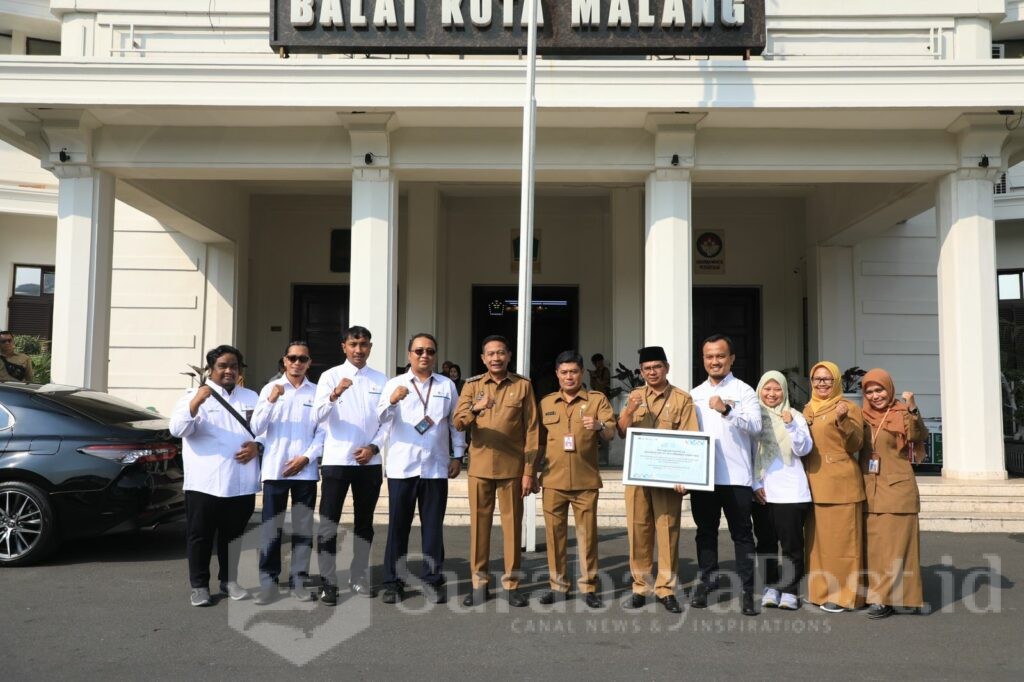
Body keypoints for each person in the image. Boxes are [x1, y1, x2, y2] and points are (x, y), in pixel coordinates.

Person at [376, 333, 466, 605]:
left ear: (435, 355)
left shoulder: (446, 385)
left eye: (429, 351)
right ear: (409, 354)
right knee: (398, 527)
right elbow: (380, 419)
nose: (424, 355)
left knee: (433, 528)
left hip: (435, 467)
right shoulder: (395, 383)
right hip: (403, 467)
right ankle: (393, 581)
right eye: (418, 351)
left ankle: (432, 580)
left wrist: (458, 455)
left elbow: (455, 422)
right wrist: (392, 400)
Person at [169, 344, 261, 607]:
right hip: (205, 483)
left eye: (234, 366)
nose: (229, 371)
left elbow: (265, 430)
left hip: (240, 482)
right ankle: (199, 585)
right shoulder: (192, 395)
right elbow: (177, 429)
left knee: (233, 536)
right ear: (211, 369)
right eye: (223, 366)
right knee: (200, 536)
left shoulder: (252, 397)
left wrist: (258, 446)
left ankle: (229, 580)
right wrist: (197, 401)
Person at [454, 334, 539, 607]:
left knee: (513, 528)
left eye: (500, 353)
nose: (496, 358)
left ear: (509, 355)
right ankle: (480, 583)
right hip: (479, 467)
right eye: (490, 354)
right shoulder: (472, 386)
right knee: (479, 527)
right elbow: (458, 422)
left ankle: (512, 584)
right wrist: (476, 409)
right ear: (483, 358)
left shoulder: (523, 386)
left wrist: (529, 471)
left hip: (512, 469)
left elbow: (532, 429)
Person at [616, 345, 698, 614]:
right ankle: (640, 586)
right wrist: (629, 410)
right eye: (647, 369)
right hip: (638, 477)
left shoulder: (682, 399)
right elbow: (621, 431)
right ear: (641, 372)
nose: (652, 372)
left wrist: (685, 477)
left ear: (666, 368)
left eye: (657, 367)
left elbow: (691, 438)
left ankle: (666, 589)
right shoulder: (635, 396)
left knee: (667, 531)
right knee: (638, 532)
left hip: (668, 479)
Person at [313, 326, 387, 605]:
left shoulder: (380, 380)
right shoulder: (329, 376)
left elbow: (388, 421)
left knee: (364, 524)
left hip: (369, 462)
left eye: (364, 344)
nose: (359, 350)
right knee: (329, 523)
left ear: (370, 347)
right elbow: (317, 416)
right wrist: (334, 393)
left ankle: (359, 576)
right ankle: (328, 582)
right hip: (336, 461)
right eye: (354, 344)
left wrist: (373, 447)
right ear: (343, 346)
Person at [688, 334, 762, 617]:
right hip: (703, 478)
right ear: (703, 359)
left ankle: (747, 590)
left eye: (720, 356)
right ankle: (707, 582)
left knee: (742, 535)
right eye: (709, 356)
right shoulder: (693, 394)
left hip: (737, 478)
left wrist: (727, 410)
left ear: (731, 358)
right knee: (705, 533)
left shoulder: (745, 391)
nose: (714, 361)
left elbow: (756, 427)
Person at [536, 351, 615, 609]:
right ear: (557, 374)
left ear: (581, 373)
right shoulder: (546, 402)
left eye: (574, 372)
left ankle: (589, 587)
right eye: (564, 372)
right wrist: (532, 472)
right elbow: (537, 441)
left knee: (587, 537)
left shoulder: (596, 400)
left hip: (585, 481)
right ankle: (558, 586)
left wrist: (600, 426)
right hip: (553, 481)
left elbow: (612, 432)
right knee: (554, 536)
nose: (569, 376)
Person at [249, 341, 324, 605]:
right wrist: (271, 401)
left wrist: (306, 457)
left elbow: (323, 431)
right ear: (284, 361)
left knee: (303, 528)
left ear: (309, 363)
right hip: (275, 470)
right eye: (292, 358)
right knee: (272, 528)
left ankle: (299, 580)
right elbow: (256, 426)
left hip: (305, 471)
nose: (297, 363)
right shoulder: (270, 389)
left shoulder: (316, 393)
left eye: (302, 359)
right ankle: (268, 581)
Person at [860, 368, 927, 619]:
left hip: (898, 490)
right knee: (877, 549)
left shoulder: (902, 412)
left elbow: (918, 435)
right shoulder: (861, 416)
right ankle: (884, 597)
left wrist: (912, 408)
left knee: (900, 547)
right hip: (870, 488)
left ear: (890, 389)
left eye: (880, 390)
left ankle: (897, 598)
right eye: (870, 391)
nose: (876, 395)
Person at [803, 360, 867, 613]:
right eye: (817, 379)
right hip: (813, 483)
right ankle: (819, 592)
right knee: (818, 545)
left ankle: (843, 596)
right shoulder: (808, 409)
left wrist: (842, 421)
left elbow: (856, 444)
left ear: (837, 382)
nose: (821, 384)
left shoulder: (847, 407)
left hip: (840, 484)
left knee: (843, 545)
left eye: (827, 379)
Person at [751, 370, 813, 611]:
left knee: (792, 546)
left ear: (785, 391)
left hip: (791, 492)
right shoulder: (753, 417)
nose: (772, 394)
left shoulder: (795, 416)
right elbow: (746, 453)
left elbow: (803, 449)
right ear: (760, 390)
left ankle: (790, 590)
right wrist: (755, 485)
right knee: (765, 544)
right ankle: (770, 587)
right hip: (763, 492)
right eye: (767, 388)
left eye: (777, 389)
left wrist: (790, 425)